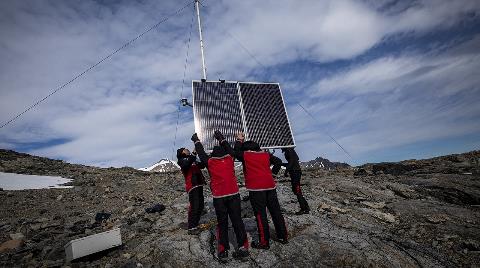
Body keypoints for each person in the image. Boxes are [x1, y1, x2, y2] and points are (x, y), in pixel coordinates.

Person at [192, 131, 250, 262]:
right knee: (237, 221)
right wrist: (220, 138)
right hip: (234, 195)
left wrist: (196, 140)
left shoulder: (210, 162)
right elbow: (231, 149)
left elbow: (201, 153)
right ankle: (242, 248)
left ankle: (223, 251)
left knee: (222, 223)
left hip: (219, 198)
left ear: (212, 154)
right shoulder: (230, 158)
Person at [233, 132, 288, 249]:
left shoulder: (246, 155)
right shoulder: (266, 155)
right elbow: (278, 162)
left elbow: (236, 152)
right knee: (276, 212)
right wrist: (273, 175)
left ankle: (264, 242)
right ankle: (283, 236)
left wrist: (239, 140)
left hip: (256, 189)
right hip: (270, 186)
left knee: (260, 214)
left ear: (246, 149)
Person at [177, 147, 206, 235]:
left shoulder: (192, 159)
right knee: (195, 206)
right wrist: (193, 154)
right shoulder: (182, 160)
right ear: (182, 153)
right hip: (192, 186)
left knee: (200, 205)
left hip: (199, 184)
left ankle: (194, 223)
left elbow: (202, 165)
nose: (187, 150)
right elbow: (186, 165)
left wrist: (199, 156)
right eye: (185, 149)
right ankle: (192, 227)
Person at [282, 148, 310, 215]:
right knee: (296, 190)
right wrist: (282, 164)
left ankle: (304, 209)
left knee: (297, 191)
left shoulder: (289, 150)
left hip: (295, 172)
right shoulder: (291, 150)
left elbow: (291, 161)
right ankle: (306, 207)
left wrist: (286, 171)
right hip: (296, 172)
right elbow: (293, 161)